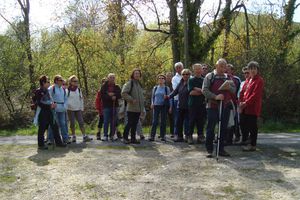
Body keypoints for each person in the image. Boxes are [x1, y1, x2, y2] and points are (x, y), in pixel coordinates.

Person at [202, 58, 236, 157]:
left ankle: (221, 149)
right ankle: (209, 150)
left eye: (225, 66)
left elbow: (234, 90)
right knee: (210, 128)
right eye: (221, 66)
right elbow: (204, 90)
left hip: (225, 106)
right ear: (216, 66)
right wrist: (215, 96)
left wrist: (229, 87)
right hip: (212, 106)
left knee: (223, 128)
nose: (223, 68)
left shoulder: (229, 77)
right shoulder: (209, 76)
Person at [34, 75, 66, 150]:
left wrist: (53, 104)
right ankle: (41, 145)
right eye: (47, 82)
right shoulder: (38, 91)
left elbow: (50, 100)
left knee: (55, 126)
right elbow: (39, 103)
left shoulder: (47, 91)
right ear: (43, 82)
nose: (49, 83)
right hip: (42, 112)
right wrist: (49, 106)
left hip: (50, 112)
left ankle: (59, 143)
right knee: (42, 128)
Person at [239, 61, 264, 151]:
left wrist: (246, 103)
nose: (252, 70)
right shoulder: (248, 80)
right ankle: (246, 141)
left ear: (257, 70)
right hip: (244, 107)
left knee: (252, 126)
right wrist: (241, 103)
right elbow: (242, 92)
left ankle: (252, 145)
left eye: (254, 68)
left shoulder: (259, 80)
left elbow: (255, 95)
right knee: (243, 123)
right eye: (251, 68)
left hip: (252, 107)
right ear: (248, 70)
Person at [121, 69, 145, 144]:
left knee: (135, 124)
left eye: (138, 74)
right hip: (131, 108)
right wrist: (131, 99)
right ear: (133, 75)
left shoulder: (139, 84)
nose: (137, 75)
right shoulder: (130, 83)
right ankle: (125, 138)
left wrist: (142, 109)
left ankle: (133, 139)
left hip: (138, 109)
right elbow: (123, 93)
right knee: (130, 123)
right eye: (136, 73)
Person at [66, 75, 92, 143]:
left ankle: (84, 136)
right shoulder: (67, 90)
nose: (76, 82)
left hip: (78, 109)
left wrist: (81, 108)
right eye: (74, 81)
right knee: (72, 123)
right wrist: (67, 107)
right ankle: (74, 136)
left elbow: (81, 99)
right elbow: (65, 100)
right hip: (70, 109)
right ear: (70, 82)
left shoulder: (78, 89)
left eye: (77, 81)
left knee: (81, 122)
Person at [168, 69, 191, 142]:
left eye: (187, 74)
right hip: (180, 105)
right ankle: (179, 136)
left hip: (189, 106)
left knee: (187, 122)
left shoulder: (191, 82)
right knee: (179, 122)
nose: (185, 76)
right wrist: (168, 96)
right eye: (183, 74)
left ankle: (187, 136)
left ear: (189, 75)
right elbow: (175, 92)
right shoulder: (180, 83)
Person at [149, 74, 172, 142]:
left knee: (163, 121)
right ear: (157, 80)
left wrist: (170, 106)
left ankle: (162, 136)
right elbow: (153, 97)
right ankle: (152, 136)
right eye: (159, 78)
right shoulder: (155, 88)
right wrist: (152, 103)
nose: (161, 79)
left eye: (162, 78)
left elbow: (170, 98)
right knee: (155, 121)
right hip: (156, 106)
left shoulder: (166, 88)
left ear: (164, 80)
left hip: (163, 106)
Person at [48, 75, 70, 144]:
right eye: (60, 80)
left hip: (62, 109)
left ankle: (65, 138)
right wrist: (52, 104)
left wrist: (65, 106)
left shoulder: (63, 89)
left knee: (63, 124)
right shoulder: (52, 88)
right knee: (53, 124)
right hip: (54, 109)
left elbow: (66, 98)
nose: (62, 81)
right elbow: (48, 97)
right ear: (56, 81)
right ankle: (50, 139)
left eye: (62, 80)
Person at [188, 64, 206, 144]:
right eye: (196, 69)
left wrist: (197, 89)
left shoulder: (204, 80)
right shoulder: (191, 80)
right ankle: (189, 136)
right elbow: (191, 92)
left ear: (202, 70)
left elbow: (206, 91)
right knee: (191, 120)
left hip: (202, 104)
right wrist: (201, 91)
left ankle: (200, 136)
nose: (198, 70)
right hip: (193, 104)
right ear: (193, 70)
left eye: (200, 69)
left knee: (201, 121)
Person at [101, 73, 122, 141]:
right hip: (106, 106)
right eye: (110, 77)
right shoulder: (104, 86)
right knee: (106, 121)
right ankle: (105, 135)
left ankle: (112, 135)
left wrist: (114, 95)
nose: (112, 79)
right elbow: (103, 96)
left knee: (113, 121)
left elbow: (120, 94)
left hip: (114, 106)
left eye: (113, 77)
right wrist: (110, 97)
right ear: (108, 78)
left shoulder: (117, 86)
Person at [226, 64, 242, 144]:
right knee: (226, 120)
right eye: (226, 69)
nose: (227, 71)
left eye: (229, 69)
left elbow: (239, 91)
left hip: (234, 103)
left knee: (234, 120)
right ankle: (226, 138)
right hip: (225, 102)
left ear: (232, 70)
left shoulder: (236, 79)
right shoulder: (223, 77)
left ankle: (235, 136)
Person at [172, 62, 188, 137]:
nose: (179, 69)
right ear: (175, 69)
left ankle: (186, 134)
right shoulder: (174, 78)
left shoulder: (189, 77)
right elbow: (176, 90)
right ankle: (177, 134)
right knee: (177, 119)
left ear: (182, 67)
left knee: (187, 119)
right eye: (177, 67)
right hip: (177, 100)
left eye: (180, 67)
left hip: (187, 101)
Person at [165, 72, 174, 138]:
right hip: (164, 103)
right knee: (163, 118)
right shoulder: (163, 84)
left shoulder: (173, 84)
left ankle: (172, 132)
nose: (168, 77)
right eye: (167, 76)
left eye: (170, 76)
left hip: (172, 103)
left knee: (172, 118)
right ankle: (163, 133)